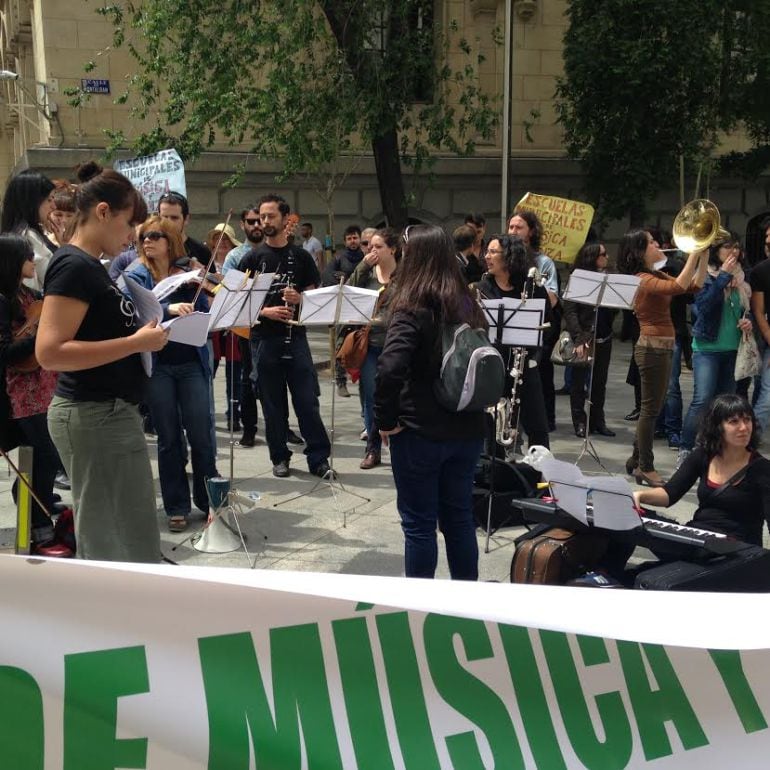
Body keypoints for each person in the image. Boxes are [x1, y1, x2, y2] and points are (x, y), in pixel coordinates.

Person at [36, 161, 168, 562]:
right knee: (114, 536)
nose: (132, 237)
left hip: (105, 413)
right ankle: (120, 616)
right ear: (103, 212)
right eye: (129, 224)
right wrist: (133, 342)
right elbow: (50, 351)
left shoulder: (87, 264)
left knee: (127, 530)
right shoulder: (75, 264)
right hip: (95, 414)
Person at [375, 224, 487, 580]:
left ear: (413, 256)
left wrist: (384, 420)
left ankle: (420, 609)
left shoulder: (411, 304)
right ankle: (465, 602)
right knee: (459, 519)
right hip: (467, 427)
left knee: (420, 525)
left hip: (419, 430)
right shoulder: (469, 302)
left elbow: (390, 368)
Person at [126, 216, 218, 532]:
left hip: (191, 361)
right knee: (168, 438)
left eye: (154, 236)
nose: (147, 241)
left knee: (201, 434)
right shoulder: (136, 273)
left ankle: (209, 502)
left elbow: (205, 310)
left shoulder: (188, 272)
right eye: (142, 237)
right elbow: (136, 310)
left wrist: (201, 293)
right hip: (159, 365)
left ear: (169, 240)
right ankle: (176, 505)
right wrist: (169, 310)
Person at [238, 194, 333, 479]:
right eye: (261, 217)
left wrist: (300, 297)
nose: (264, 222)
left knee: (307, 401)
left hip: (297, 338)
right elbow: (237, 302)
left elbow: (318, 298)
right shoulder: (252, 258)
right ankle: (279, 457)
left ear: (284, 218)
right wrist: (265, 311)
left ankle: (318, 459)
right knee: (272, 404)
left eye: (269, 216)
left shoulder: (301, 257)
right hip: (264, 340)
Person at [617, 229, 707, 487]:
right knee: (650, 411)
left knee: (651, 409)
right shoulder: (642, 278)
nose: (658, 245)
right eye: (652, 243)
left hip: (662, 348)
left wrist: (703, 255)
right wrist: (694, 251)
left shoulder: (654, 274)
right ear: (640, 251)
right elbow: (678, 285)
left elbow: (694, 286)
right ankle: (646, 466)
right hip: (652, 349)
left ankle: (636, 460)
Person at [0, 234, 70, 557]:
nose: (34, 262)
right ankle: (38, 531)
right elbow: (8, 353)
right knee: (46, 458)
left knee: (42, 460)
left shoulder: (27, 294)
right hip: (21, 396)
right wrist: (40, 334)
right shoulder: (3, 300)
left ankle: (37, 528)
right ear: (14, 261)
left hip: (43, 390)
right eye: (29, 257)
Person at [633, 394, 770, 547]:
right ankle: (606, 570)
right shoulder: (703, 455)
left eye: (747, 420)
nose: (744, 427)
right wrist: (639, 496)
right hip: (697, 537)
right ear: (717, 427)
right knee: (626, 519)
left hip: (736, 549)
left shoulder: (763, 469)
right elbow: (670, 493)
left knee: (650, 571)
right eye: (734, 422)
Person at [677, 234, 752, 469]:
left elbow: (744, 308)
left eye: (737, 247)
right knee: (702, 400)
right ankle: (686, 449)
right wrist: (723, 279)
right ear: (716, 251)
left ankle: (717, 449)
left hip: (733, 348)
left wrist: (747, 320)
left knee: (725, 403)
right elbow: (704, 308)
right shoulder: (707, 276)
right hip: (707, 348)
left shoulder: (742, 277)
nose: (734, 251)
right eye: (728, 247)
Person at [475, 234, 550, 449]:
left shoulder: (532, 288)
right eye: (486, 252)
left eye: (493, 252)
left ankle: (541, 475)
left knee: (537, 424)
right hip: (492, 366)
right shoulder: (481, 288)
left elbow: (547, 323)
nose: (487, 256)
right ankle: (493, 472)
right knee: (492, 424)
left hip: (524, 364)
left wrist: (535, 354)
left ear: (509, 256)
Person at [347, 228, 399, 469]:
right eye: (370, 246)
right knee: (371, 398)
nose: (372, 251)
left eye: (378, 247)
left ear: (393, 249)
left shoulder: (403, 275)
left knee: (396, 395)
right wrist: (362, 266)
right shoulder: (366, 273)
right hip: (370, 344)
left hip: (396, 344)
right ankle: (372, 449)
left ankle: (399, 447)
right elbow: (347, 292)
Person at [508, 210, 560, 431]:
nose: (513, 231)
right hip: (509, 328)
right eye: (511, 227)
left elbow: (553, 298)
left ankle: (542, 422)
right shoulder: (504, 258)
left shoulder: (543, 262)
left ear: (531, 231)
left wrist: (533, 289)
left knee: (537, 378)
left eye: (518, 227)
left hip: (534, 329)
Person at [562, 242, 615, 437]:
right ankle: (579, 422)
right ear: (592, 257)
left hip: (603, 337)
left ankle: (597, 421)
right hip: (583, 337)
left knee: (599, 383)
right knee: (578, 383)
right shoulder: (577, 280)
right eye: (603, 254)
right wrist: (578, 338)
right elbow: (570, 311)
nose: (607, 257)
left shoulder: (608, 279)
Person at [324, 224, 365, 397]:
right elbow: (326, 277)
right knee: (342, 345)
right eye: (349, 238)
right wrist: (339, 278)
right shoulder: (339, 259)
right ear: (345, 241)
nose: (353, 241)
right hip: (344, 309)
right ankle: (341, 382)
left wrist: (346, 277)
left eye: (355, 237)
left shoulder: (366, 257)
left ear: (360, 238)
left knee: (363, 345)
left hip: (363, 307)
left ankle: (363, 381)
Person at [1, 169, 57, 292]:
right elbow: (56, 278)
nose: (54, 206)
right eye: (49, 199)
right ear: (32, 201)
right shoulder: (27, 236)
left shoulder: (26, 233)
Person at [749, 218, 770, 431]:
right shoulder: (761, 271)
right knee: (767, 396)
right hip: (766, 338)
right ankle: (750, 441)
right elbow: (758, 311)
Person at [157, 191, 211, 264]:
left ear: (186, 219)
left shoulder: (201, 251)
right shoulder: (152, 246)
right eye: (165, 217)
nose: (168, 222)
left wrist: (204, 273)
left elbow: (212, 275)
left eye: (174, 218)